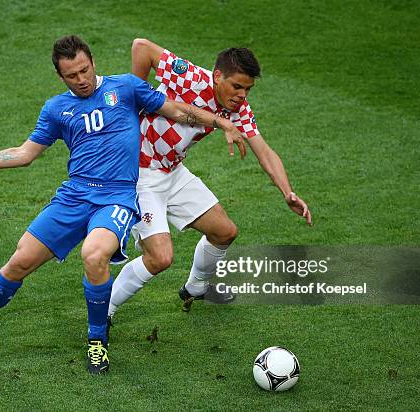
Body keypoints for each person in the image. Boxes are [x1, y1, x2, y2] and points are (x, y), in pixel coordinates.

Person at [0, 35, 248, 374]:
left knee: (94, 255)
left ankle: (98, 341)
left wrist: (222, 122)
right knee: (19, 261)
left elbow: (178, 111)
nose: (81, 80)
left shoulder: (126, 88)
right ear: (60, 76)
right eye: (72, 76)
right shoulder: (56, 109)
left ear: (93, 62)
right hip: (74, 196)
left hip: (117, 198)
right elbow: (24, 154)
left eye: (84, 70)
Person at [108, 39, 312, 320]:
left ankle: (196, 287)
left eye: (247, 89)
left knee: (224, 232)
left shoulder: (237, 109)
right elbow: (140, 47)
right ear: (218, 77)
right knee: (160, 258)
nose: (242, 95)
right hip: (138, 173)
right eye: (237, 87)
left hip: (172, 172)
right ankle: (103, 311)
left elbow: (263, 151)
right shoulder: (190, 77)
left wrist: (287, 192)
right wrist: (134, 98)